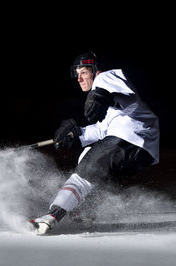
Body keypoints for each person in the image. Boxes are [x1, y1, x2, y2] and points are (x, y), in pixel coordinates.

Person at [30, 51, 160, 235]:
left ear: (95, 70)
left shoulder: (106, 77)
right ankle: (84, 214)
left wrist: (100, 92)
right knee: (94, 172)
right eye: (77, 74)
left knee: (82, 176)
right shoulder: (114, 108)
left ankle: (52, 215)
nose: (79, 78)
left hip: (128, 139)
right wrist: (75, 134)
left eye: (83, 72)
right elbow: (101, 129)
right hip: (144, 153)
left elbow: (111, 87)